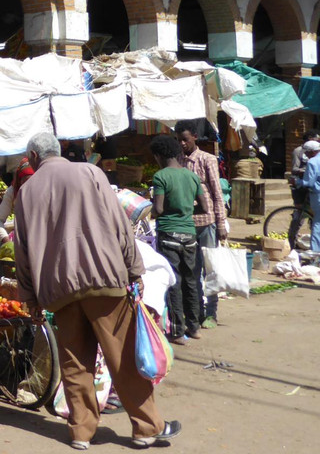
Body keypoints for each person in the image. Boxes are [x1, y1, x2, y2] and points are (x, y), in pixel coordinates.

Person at [14, 132, 180, 450]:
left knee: (75, 362)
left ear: (34, 158)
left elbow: (22, 251)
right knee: (121, 357)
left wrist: (30, 299)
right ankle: (147, 427)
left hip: (58, 288)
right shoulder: (90, 172)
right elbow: (119, 224)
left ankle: (81, 432)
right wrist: (134, 270)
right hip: (103, 278)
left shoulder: (27, 192)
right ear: (58, 151)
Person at [150, 134, 210, 345]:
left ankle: (176, 331)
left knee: (173, 281)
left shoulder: (160, 177)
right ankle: (194, 327)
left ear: (158, 155)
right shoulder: (191, 176)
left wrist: (164, 210)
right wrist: (184, 209)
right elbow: (204, 207)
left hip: (169, 235)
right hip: (189, 234)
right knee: (191, 280)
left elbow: (157, 209)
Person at [175, 120, 227, 330]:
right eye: (179, 140)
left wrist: (222, 222)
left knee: (210, 269)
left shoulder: (207, 159)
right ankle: (196, 313)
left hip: (207, 223)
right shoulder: (177, 160)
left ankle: (212, 313)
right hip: (186, 224)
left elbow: (217, 192)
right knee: (192, 271)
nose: (182, 144)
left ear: (195, 137)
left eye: (185, 140)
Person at [0, 156, 35, 243]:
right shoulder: (12, 191)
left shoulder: (44, 191)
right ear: (19, 180)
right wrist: (6, 241)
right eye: (25, 182)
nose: (27, 187)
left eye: (31, 183)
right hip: (20, 242)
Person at [288, 131, 319, 245]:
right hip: (301, 189)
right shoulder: (298, 151)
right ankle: (292, 240)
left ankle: (315, 246)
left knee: (314, 220)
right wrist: (304, 173)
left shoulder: (315, 159)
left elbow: (310, 181)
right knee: (299, 216)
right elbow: (295, 169)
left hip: (310, 187)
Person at [301, 140, 320, 252]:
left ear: (312, 152)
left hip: (318, 196)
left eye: (307, 153)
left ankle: (315, 254)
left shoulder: (313, 162)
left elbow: (309, 182)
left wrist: (298, 182)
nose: (306, 156)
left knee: (317, 224)